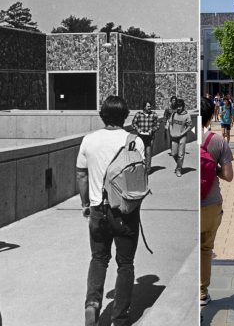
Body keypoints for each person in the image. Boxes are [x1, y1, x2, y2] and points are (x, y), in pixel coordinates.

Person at [76, 95, 145, 326]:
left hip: (97, 209)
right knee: (125, 264)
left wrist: (86, 204)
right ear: (125, 114)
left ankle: (92, 304)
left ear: (102, 114)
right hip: (125, 211)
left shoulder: (89, 140)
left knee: (98, 259)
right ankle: (120, 318)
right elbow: (138, 180)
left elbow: (81, 175)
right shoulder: (134, 141)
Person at [201, 97, 233, 306]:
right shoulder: (218, 141)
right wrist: (215, 169)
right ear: (212, 114)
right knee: (205, 248)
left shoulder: (182, 137)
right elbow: (229, 176)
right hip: (210, 203)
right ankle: (202, 292)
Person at [131, 101, 160, 173]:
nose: (150, 108)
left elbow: (158, 125)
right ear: (144, 107)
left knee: (148, 154)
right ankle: (140, 169)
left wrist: (152, 130)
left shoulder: (154, 115)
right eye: (148, 106)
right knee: (140, 153)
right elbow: (133, 123)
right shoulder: (138, 114)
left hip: (150, 137)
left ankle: (147, 171)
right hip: (140, 137)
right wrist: (137, 129)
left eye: (150, 106)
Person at [168, 98, 192, 177]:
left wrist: (182, 133)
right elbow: (170, 123)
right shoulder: (174, 114)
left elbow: (189, 126)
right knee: (174, 153)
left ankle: (178, 170)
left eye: (180, 106)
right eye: (177, 106)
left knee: (181, 154)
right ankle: (179, 165)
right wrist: (171, 131)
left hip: (182, 137)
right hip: (174, 136)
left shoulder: (187, 115)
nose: (178, 108)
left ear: (183, 106)